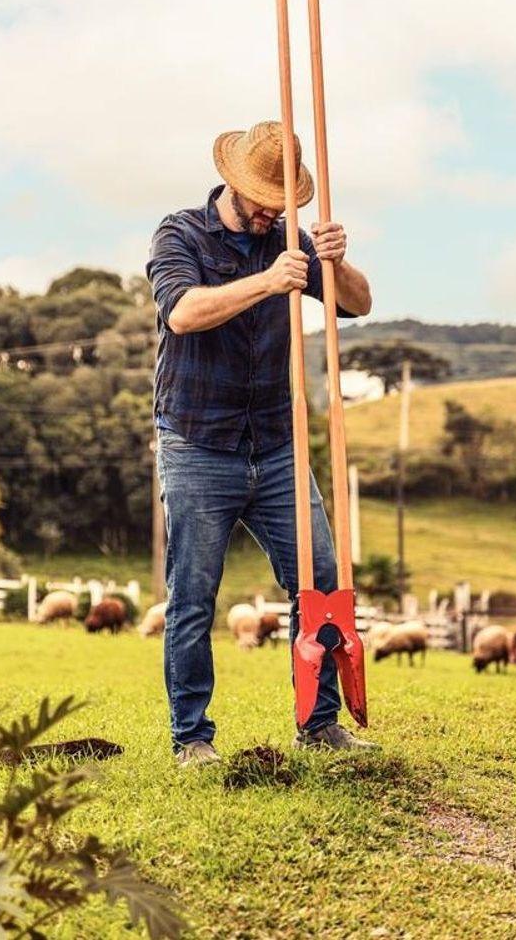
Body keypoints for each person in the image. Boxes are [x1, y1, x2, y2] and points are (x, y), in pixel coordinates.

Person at [146, 121, 379, 767]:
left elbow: (357, 302)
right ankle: (192, 737)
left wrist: (335, 262)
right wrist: (269, 281)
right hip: (198, 441)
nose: (273, 211)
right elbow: (184, 313)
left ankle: (320, 722)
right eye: (262, 200)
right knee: (193, 595)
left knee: (320, 582)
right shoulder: (181, 232)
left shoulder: (288, 236)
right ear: (232, 183)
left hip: (277, 445)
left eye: (283, 203)